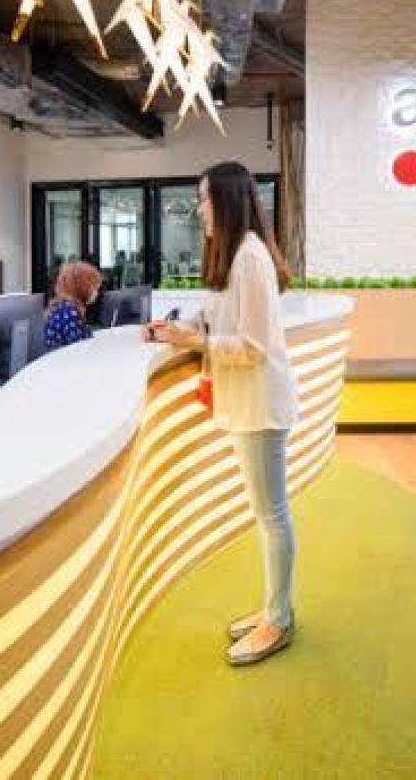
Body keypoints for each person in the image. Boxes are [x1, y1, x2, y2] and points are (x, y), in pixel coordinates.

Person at [144, 161, 298, 666]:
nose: (199, 208)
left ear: (227, 201)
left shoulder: (250, 258)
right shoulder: (234, 256)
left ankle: (279, 619)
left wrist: (197, 342)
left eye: (205, 198)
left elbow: (252, 345)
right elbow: (214, 316)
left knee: (271, 515)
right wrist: (177, 329)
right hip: (249, 403)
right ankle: (274, 609)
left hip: (260, 405)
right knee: (267, 513)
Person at [43, 260, 102, 350]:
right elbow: (79, 347)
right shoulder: (69, 312)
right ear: (81, 287)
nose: (96, 293)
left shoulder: (63, 306)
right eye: (94, 288)